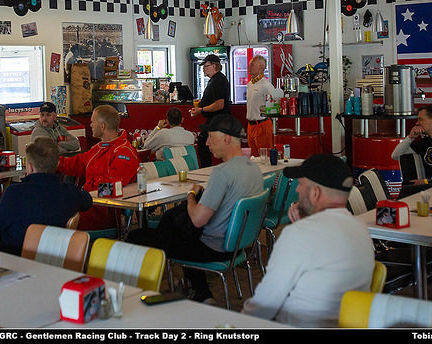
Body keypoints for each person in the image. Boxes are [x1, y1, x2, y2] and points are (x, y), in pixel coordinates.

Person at [126, 114, 263, 304]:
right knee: (179, 231)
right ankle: (202, 293)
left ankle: (134, 296)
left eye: (211, 137)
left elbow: (198, 219)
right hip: (239, 244)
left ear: (226, 138)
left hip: (213, 248)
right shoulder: (254, 169)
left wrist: (191, 195)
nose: (206, 143)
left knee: (137, 236)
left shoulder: (222, 173)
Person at [242, 154, 375, 327]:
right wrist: (305, 220)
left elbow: (263, 306)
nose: (297, 190)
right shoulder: (361, 228)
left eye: (300, 185)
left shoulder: (299, 235)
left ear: (315, 193)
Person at [0, 137, 92, 255]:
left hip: (16, 257)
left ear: (31, 167)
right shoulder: (70, 193)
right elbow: (88, 201)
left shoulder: (13, 193)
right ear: (57, 164)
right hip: (54, 258)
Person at [57, 104, 140, 231]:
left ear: (102, 126)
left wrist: (82, 195)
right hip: (86, 206)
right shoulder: (98, 148)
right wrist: (52, 161)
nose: (90, 125)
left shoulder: (124, 152)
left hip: (101, 215)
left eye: (92, 122)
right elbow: (76, 163)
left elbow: (112, 187)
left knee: (50, 219)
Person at [189, 54, 231, 167]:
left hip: (218, 121)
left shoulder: (218, 81)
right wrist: (202, 102)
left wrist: (201, 110)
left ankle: (207, 172)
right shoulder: (214, 80)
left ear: (214, 66)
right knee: (204, 146)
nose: (203, 69)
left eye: (206, 66)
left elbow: (219, 104)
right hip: (216, 121)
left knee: (204, 146)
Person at [245, 54, 283, 157]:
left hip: (262, 124)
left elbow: (277, 99)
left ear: (261, 67)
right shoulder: (250, 84)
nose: (249, 66)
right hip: (250, 125)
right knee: (254, 157)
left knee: (264, 156)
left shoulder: (266, 84)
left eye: (252, 64)